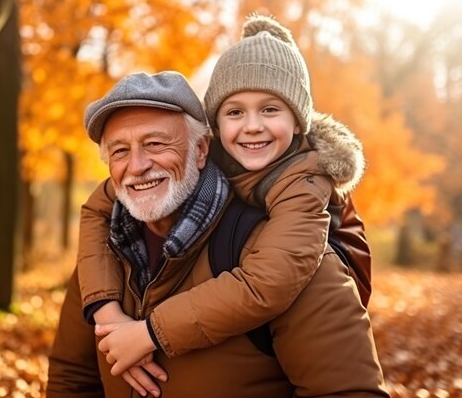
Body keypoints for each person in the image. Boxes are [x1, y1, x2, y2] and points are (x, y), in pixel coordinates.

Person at [46, 70, 389, 398]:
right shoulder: (106, 255)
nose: (136, 166)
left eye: (155, 144)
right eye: (120, 150)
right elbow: (72, 378)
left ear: (201, 150)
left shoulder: (286, 256)